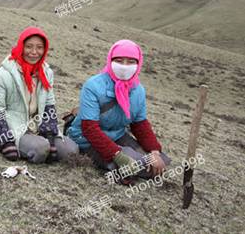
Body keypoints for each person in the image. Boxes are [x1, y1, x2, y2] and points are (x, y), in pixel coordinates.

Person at [67, 39, 170, 181]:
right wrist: (118, 155)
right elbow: (89, 129)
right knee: (136, 164)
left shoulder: (138, 90)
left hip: (117, 135)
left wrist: (154, 151)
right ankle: (120, 167)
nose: (124, 66)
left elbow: (140, 124)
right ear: (110, 60)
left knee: (161, 161)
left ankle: (129, 166)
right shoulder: (93, 86)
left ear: (138, 63)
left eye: (130, 62)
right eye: (119, 60)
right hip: (86, 139)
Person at [0, 27, 79, 163]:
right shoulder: (2, 74)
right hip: (15, 127)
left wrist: (50, 137)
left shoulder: (46, 73)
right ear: (21, 46)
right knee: (40, 149)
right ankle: (7, 142)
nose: (34, 52)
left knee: (70, 151)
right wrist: (5, 142)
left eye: (39, 47)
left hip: (38, 126)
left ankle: (42, 141)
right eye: (29, 47)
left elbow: (49, 105)